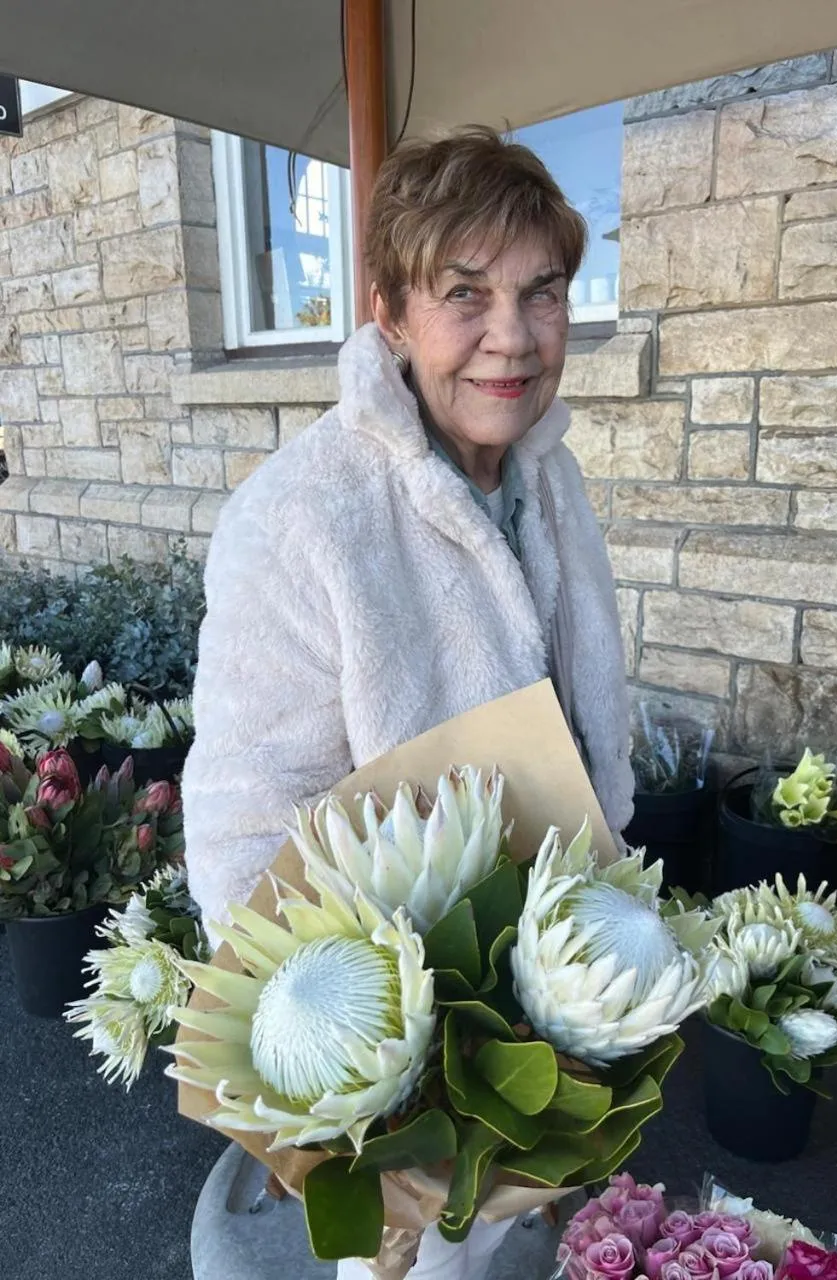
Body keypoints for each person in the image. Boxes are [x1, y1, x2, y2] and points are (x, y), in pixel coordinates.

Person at [182, 125, 634, 1278]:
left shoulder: (549, 471)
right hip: (400, 1064)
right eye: (464, 294)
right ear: (388, 309)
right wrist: (354, 1078)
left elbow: (584, 714)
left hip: (550, 1003)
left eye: (541, 292)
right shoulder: (303, 514)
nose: (513, 337)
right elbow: (241, 824)